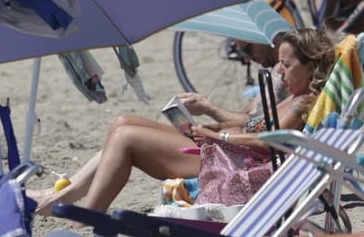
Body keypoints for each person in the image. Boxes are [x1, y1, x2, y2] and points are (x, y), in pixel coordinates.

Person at [27, 29, 332, 214]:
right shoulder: (290, 97)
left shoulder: (305, 101)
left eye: (287, 65)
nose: (280, 72)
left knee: (126, 139)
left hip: (236, 167)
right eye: (280, 64)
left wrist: (220, 137)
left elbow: (269, 143)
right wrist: (215, 127)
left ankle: (82, 217)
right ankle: (68, 197)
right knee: (122, 122)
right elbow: (254, 125)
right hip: (228, 151)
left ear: (311, 66)